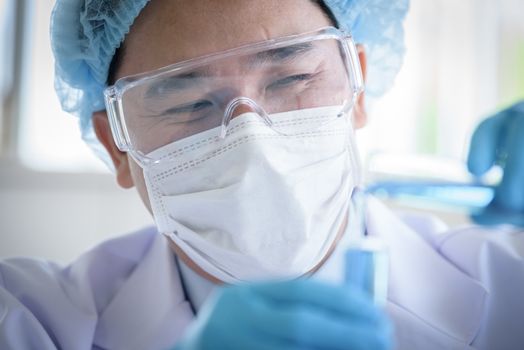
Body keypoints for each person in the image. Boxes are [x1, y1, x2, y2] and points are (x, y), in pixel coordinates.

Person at [0, 0, 523, 349]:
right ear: (118, 147)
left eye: (294, 77)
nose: (252, 138)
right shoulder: (32, 322)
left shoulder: (509, 288)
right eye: (189, 102)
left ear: (356, 84)